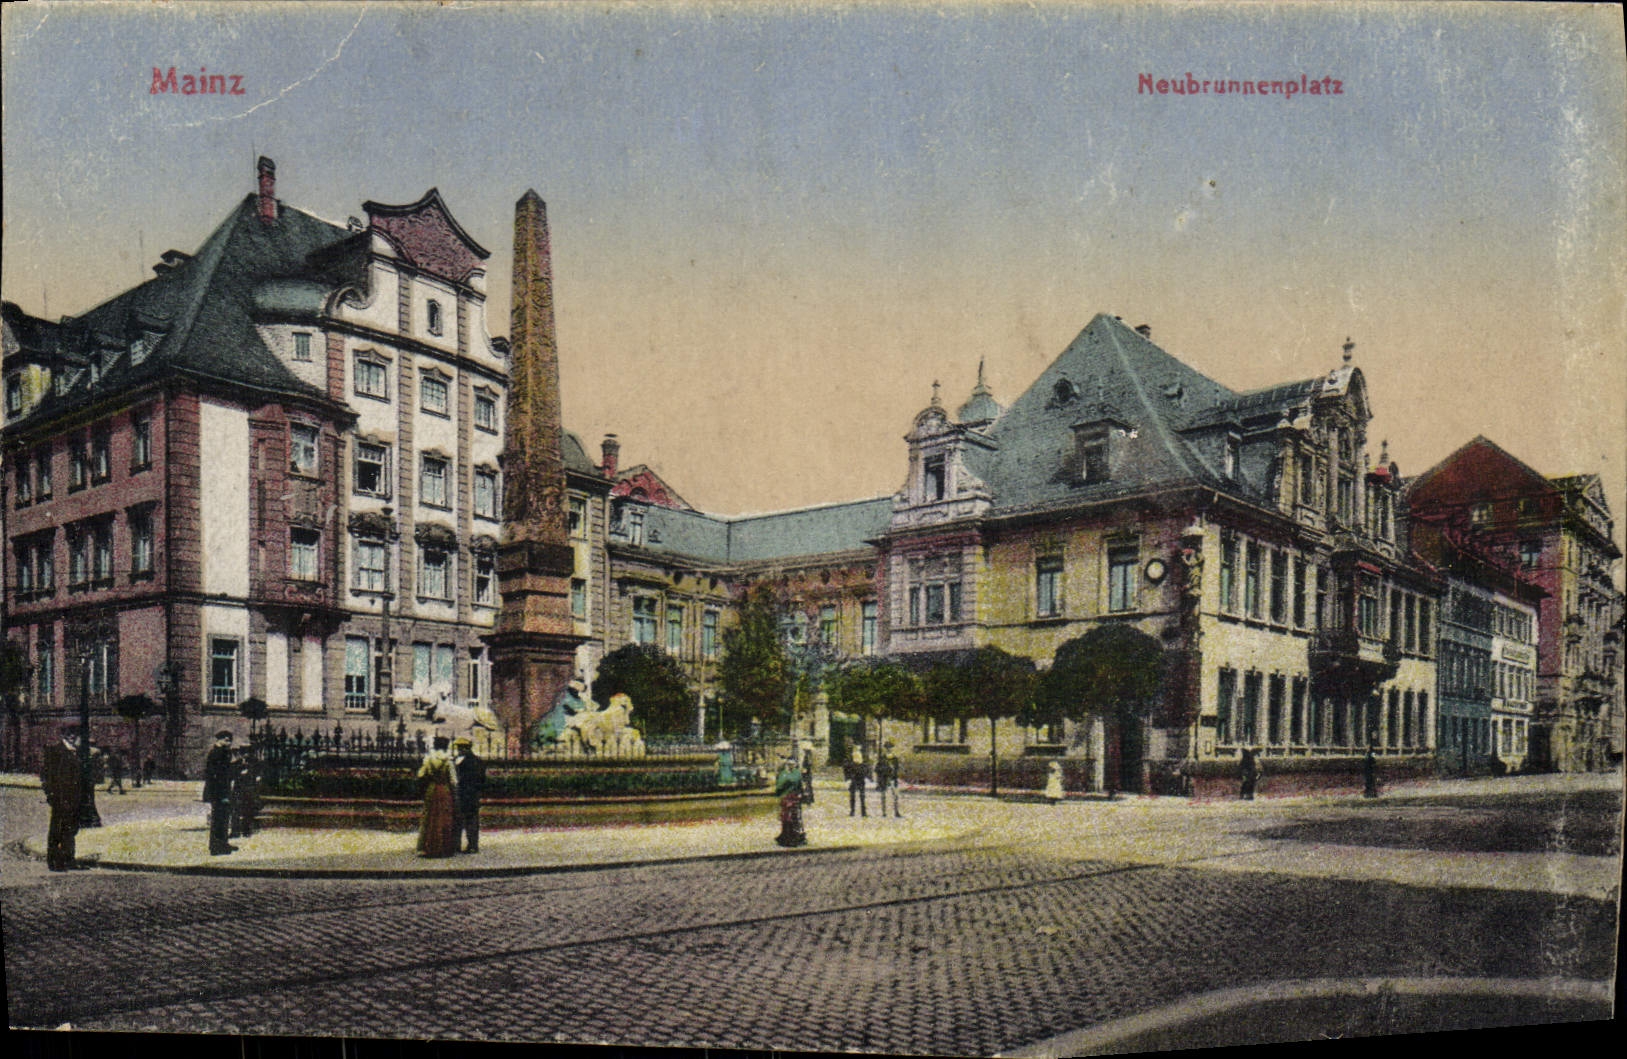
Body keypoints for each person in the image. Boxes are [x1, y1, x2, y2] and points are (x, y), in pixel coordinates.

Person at [41, 726, 85, 871]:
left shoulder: (76, 752)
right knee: (57, 831)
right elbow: (46, 776)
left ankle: (69, 859)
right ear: (63, 735)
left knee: (70, 830)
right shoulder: (55, 752)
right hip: (60, 799)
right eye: (69, 734)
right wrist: (51, 795)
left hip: (74, 799)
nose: (72, 736)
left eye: (75, 734)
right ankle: (54, 862)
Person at [416, 735, 457, 858]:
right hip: (444, 789)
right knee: (444, 818)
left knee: (429, 817)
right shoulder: (449, 761)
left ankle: (427, 846)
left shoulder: (428, 759)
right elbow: (454, 780)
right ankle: (444, 847)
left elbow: (421, 774)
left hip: (432, 789)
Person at [202, 731, 237, 855]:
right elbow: (216, 776)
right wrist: (222, 795)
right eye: (226, 740)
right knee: (218, 820)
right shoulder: (217, 753)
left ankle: (223, 843)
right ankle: (216, 847)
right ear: (220, 740)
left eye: (230, 740)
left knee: (223, 819)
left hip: (222, 791)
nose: (229, 743)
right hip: (219, 792)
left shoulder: (223, 752)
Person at [450, 737, 485, 855]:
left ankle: (472, 845)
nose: (459, 750)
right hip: (461, 795)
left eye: (461, 748)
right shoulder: (456, 760)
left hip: (470, 795)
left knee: (471, 821)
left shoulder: (475, 761)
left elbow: (481, 780)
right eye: (458, 748)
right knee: (458, 821)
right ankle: (456, 845)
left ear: (467, 748)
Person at [774, 756, 807, 848]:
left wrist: (801, 794)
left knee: (795, 817)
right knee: (786, 818)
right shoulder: (783, 774)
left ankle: (796, 835)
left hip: (795, 797)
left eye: (792, 764)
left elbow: (800, 785)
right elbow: (779, 787)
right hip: (786, 797)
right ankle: (786, 837)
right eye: (789, 764)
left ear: (795, 765)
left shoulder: (797, 773)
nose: (791, 766)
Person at [230, 750, 262, 838]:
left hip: (249, 789)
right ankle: (235, 831)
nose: (244, 755)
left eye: (247, 751)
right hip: (238, 789)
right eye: (243, 752)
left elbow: (258, 777)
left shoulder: (255, 763)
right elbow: (232, 775)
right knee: (235, 811)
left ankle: (246, 831)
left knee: (248, 811)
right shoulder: (236, 763)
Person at [874, 742, 902, 817]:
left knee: (895, 795)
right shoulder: (882, 758)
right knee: (883, 795)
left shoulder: (895, 758)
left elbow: (897, 768)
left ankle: (896, 811)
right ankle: (884, 812)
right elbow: (877, 769)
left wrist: (895, 773)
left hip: (892, 778)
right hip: (884, 778)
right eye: (887, 748)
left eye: (890, 748)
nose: (889, 749)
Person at [845, 745, 869, 818]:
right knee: (853, 796)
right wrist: (848, 778)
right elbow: (847, 769)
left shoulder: (863, 759)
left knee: (861, 796)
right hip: (854, 778)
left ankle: (863, 811)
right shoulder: (850, 760)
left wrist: (866, 776)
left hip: (860, 778)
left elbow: (866, 768)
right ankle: (853, 811)